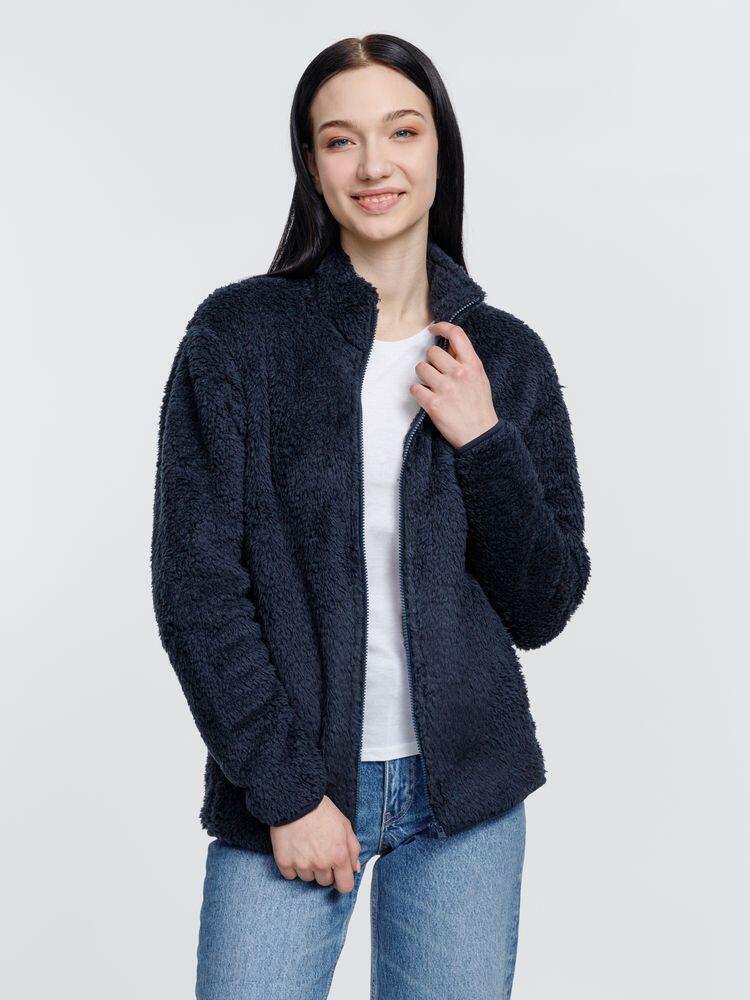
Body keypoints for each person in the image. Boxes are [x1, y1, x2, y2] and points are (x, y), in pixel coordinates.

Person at [150, 33, 591, 1000]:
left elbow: (544, 605)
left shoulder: (505, 356)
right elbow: (196, 589)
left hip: (466, 800)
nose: (374, 165)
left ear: (440, 149)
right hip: (292, 789)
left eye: (402, 131)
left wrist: (485, 441)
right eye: (340, 140)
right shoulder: (238, 338)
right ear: (311, 164)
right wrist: (286, 792)